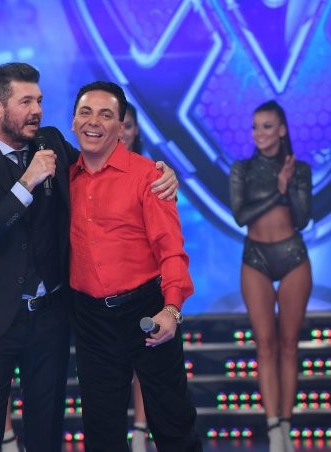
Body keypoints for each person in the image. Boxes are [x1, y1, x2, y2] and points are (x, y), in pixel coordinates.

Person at [0, 62, 178, 451]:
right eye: (25, 102)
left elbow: (97, 165)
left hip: (50, 315)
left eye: (39, 100)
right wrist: (28, 181)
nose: (36, 110)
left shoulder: (50, 140)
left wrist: (160, 171)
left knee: (46, 432)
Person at [69, 81, 201, 452]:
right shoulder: (61, 177)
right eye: (85, 112)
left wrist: (171, 310)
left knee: (173, 427)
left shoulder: (149, 177)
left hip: (146, 310)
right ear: (73, 121)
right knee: (102, 436)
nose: (94, 122)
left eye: (105, 115)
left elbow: (171, 250)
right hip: (91, 319)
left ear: (121, 127)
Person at [229, 100, 312, 452]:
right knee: (264, 344)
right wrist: (277, 189)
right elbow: (240, 215)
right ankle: (273, 426)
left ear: (282, 130)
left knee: (289, 345)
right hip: (256, 258)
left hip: (293, 256)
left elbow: (303, 218)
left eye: (266, 126)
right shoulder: (242, 169)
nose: (259, 133)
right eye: (255, 127)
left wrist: (289, 186)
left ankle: (287, 424)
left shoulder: (299, 169)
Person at [120, 102, 150, 452]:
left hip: (143, 282)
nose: (123, 132)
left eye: (128, 126)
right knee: (116, 366)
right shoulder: (85, 171)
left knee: (143, 360)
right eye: (119, 125)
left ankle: (141, 431)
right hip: (104, 288)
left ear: (136, 130)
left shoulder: (153, 172)